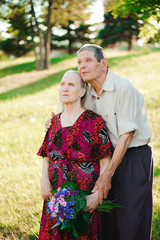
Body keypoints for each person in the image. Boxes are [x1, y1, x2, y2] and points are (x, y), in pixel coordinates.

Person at [45, 44, 153, 240]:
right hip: (103, 160)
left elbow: (126, 135)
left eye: (88, 60)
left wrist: (107, 175)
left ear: (104, 63)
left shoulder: (123, 87)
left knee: (131, 222)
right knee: (106, 221)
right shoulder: (88, 94)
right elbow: (75, 117)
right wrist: (53, 123)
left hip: (132, 157)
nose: (82, 66)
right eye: (79, 62)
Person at [37, 70, 113, 240]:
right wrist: (44, 180)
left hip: (84, 198)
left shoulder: (94, 121)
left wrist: (97, 195)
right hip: (56, 198)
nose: (65, 88)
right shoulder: (54, 122)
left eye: (71, 84)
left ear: (82, 91)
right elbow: (46, 156)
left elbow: (105, 161)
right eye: (62, 84)